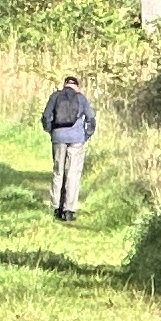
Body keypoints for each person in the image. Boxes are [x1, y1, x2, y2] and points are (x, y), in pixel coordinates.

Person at [40, 74, 95, 220]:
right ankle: (69, 210)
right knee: (73, 173)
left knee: (58, 172)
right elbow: (91, 119)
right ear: (77, 86)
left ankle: (56, 207)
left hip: (58, 137)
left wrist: (51, 131)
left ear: (64, 84)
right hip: (77, 139)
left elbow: (46, 117)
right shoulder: (81, 98)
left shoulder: (55, 97)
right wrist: (85, 135)